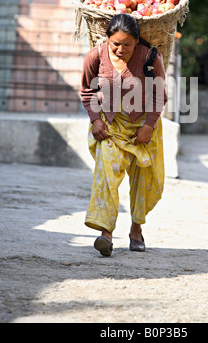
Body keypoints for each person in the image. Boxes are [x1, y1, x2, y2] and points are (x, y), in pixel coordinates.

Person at [80, 14, 168, 256]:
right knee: (106, 173)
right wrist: (95, 119)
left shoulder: (151, 57)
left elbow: (160, 95)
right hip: (110, 126)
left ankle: (136, 230)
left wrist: (149, 126)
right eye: (115, 44)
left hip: (144, 127)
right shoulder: (95, 56)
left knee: (144, 179)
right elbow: (87, 91)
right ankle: (106, 234)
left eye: (127, 44)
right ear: (107, 39)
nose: (120, 49)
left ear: (137, 41)